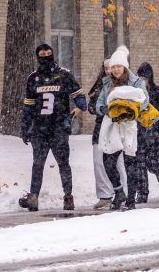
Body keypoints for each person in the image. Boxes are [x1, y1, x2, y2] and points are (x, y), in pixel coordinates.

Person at [18, 44, 86, 212]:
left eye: (49, 54)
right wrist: (25, 128)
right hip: (40, 130)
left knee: (63, 163)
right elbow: (28, 107)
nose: (46, 57)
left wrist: (78, 108)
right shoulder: (33, 78)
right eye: (43, 55)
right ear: (38, 57)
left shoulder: (64, 75)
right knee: (38, 164)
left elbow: (80, 97)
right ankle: (33, 197)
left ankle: (68, 196)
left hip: (59, 128)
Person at [96, 45, 149, 211]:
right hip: (112, 126)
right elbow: (99, 103)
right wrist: (105, 110)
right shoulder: (106, 83)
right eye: (113, 67)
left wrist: (130, 112)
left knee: (130, 162)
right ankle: (119, 192)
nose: (115, 70)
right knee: (108, 161)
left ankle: (131, 200)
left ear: (124, 66)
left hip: (130, 126)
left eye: (118, 66)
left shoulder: (136, 82)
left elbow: (145, 101)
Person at [88, 59, 126, 210]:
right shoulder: (100, 85)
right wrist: (97, 108)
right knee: (99, 162)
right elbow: (92, 105)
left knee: (118, 162)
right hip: (101, 126)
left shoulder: (124, 85)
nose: (108, 70)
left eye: (111, 67)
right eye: (105, 68)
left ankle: (123, 192)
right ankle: (105, 195)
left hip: (117, 126)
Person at [135, 62, 159, 203]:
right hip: (139, 133)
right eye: (140, 78)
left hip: (154, 134)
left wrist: (157, 130)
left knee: (153, 164)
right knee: (140, 164)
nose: (142, 81)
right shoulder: (136, 95)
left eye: (144, 78)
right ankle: (142, 193)